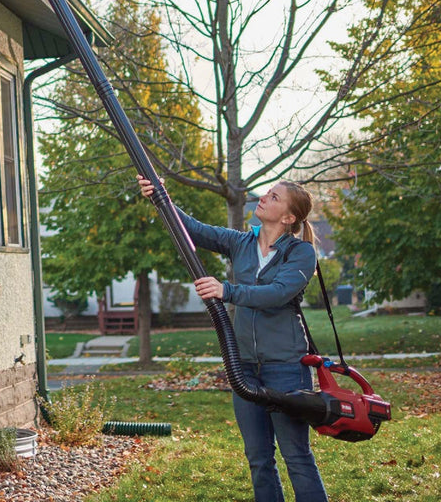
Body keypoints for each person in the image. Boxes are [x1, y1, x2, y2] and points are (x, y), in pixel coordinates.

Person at [137, 175, 328, 502]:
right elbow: (193, 229)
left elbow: (277, 294)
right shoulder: (241, 243)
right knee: (258, 459)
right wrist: (161, 195)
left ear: (288, 218)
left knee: (296, 456)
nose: (264, 197)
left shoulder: (300, 253)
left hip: (285, 368)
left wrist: (227, 291)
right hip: (244, 368)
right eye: (268, 192)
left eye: (275, 196)